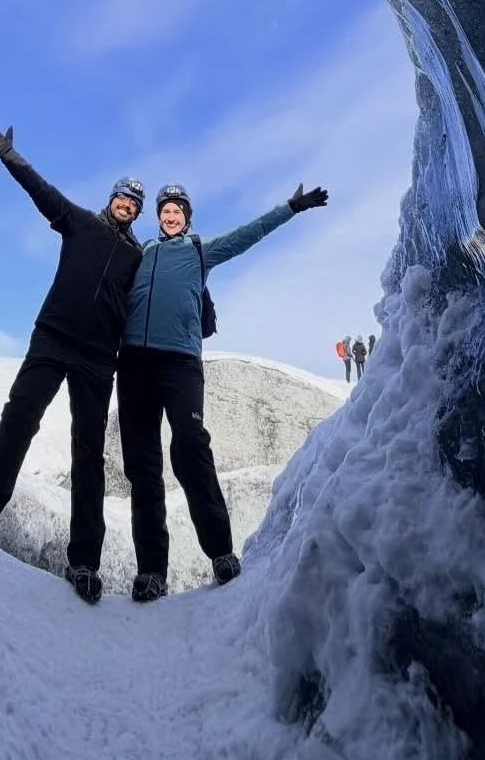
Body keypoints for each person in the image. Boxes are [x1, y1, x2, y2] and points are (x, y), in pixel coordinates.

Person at [0, 124, 145, 606]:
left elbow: (159, 298)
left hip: (99, 360)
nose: (128, 206)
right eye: (124, 198)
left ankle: (84, 565)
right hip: (52, 339)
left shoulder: (139, 257)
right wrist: (8, 155)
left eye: (135, 204)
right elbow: (41, 190)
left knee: (89, 457)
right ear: (112, 199)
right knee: (17, 422)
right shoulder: (79, 222)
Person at [117, 178, 328, 602]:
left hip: (180, 364)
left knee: (191, 446)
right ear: (157, 218)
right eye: (164, 211)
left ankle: (220, 553)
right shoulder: (142, 253)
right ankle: (152, 572)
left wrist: (291, 208)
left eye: (177, 210)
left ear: (187, 217)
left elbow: (246, 235)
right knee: (142, 466)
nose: (170, 216)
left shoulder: (199, 251)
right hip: (135, 364)